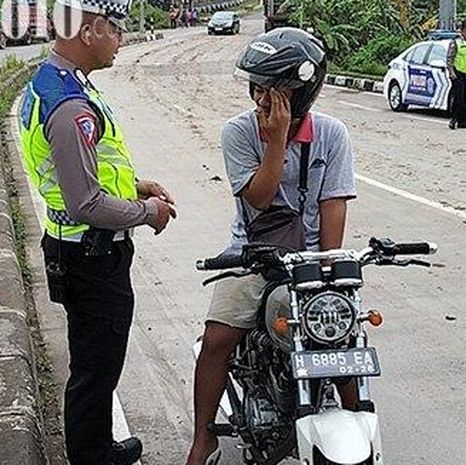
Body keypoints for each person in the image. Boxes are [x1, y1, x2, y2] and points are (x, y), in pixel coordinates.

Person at [185, 28, 357, 465]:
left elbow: (333, 206)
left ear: (300, 93)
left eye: (272, 90)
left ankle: (355, 422)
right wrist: (277, 140)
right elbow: (258, 198)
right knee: (217, 339)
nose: (260, 98)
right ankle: (202, 438)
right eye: (256, 87)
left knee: (342, 338)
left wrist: (326, 271)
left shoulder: (333, 135)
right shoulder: (238, 132)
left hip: (309, 263)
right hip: (252, 257)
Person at [17, 0, 177, 463]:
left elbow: (86, 172)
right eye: (115, 30)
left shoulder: (53, 84)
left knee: (94, 359)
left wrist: (135, 184)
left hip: (73, 249)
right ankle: (90, 455)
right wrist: (147, 212)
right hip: (91, 256)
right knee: (96, 365)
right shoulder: (69, 107)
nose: (120, 40)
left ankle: (96, 444)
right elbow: (85, 202)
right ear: (88, 32)